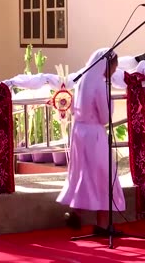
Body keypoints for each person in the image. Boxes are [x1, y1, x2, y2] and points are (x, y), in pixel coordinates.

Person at [57, 48, 126, 232]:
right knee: (103, 175)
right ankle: (103, 224)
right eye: (113, 68)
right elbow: (104, 117)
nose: (113, 72)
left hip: (79, 132)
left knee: (83, 174)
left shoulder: (82, 81)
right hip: (94, 134)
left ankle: (76, 212)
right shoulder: (100, 85)